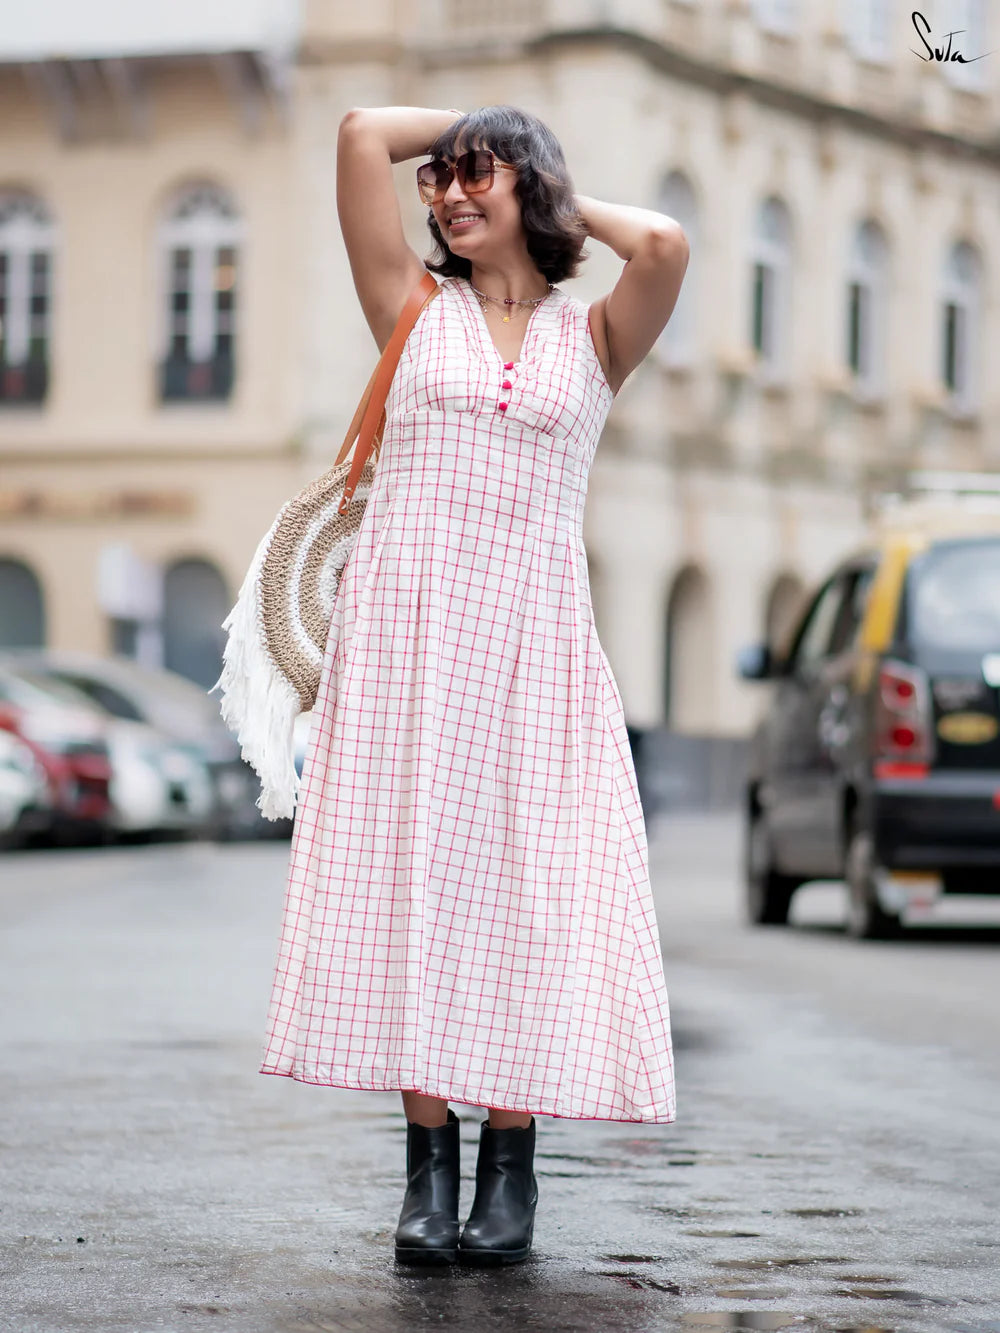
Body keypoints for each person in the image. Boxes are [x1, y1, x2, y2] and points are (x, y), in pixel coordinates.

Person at [258, 103, 689, 1268]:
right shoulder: (411, 307)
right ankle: (426, 1170)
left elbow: (663, 247)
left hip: (537, 654)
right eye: (440, 181)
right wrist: (474, 124)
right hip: (407, 646)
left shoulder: (592, 338)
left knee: (527, 897)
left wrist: (543, 169)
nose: (446, 194)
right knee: (415, 885)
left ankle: (512, 1164)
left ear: (527, 192)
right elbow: (354, 135)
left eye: (472, 178)